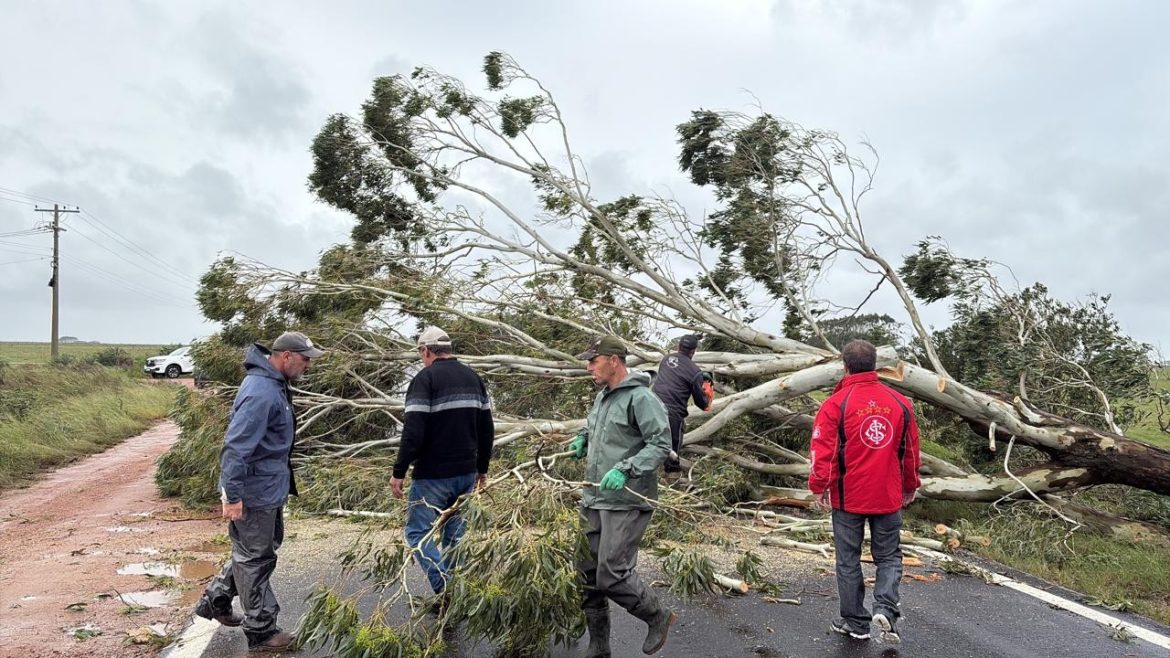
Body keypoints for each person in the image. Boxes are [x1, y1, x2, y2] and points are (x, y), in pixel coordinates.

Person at [194, 331, 323, 652]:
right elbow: (236, 447)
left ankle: (217, 599)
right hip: (254, 492)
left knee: (254, 554)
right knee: (255, 560)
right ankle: (262, 632)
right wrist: (233, 496)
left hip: (267, 487)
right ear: (287, 356)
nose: (309, 365)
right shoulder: (262, 392)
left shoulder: (272, 384)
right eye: (305, 359)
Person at [807, 339, 921, 644]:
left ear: (845, 366)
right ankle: (885, 606)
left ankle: (856, 622)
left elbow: (823, 451)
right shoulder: (901, 404)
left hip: (849, 498)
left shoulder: (835, 404)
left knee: (848, 559)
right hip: (887, 495)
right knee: (888, 556)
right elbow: (910, 452)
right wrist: (910, 485)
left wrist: (819, 486)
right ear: (875, 366)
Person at [569, 335, 676, 657]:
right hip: (595, 497)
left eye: (593, 360)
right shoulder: (604, 397)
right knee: (586, 573)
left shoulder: (642, 398)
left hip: (627, 498)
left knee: (611, 572)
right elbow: (597, 427)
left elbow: (660, 444)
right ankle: (599, 645)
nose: (588, 366)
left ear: (613, 360)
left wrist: (627, 469)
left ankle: (657, 615)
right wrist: (582, 438)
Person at [390, 326, 494, 604]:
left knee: (417, 533)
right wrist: (482, 468)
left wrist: (399, 472)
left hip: (433, 475)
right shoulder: (473, 378)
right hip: (466, 473)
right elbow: (486, 428)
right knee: (455, 536)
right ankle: (456, 592)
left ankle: (445, 589)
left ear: (425, 350)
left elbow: (413, 432)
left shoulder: (425, 380)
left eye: (420, 353)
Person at [650, 334, 712, 473]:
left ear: (679, 347)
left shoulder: (666, 359)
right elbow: (703, 404)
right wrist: (706, 385)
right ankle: (671, 479)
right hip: (673, 413)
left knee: (650, 440)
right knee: (673, 449)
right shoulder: (695, 371)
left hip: (651, 405)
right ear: (693, 351)